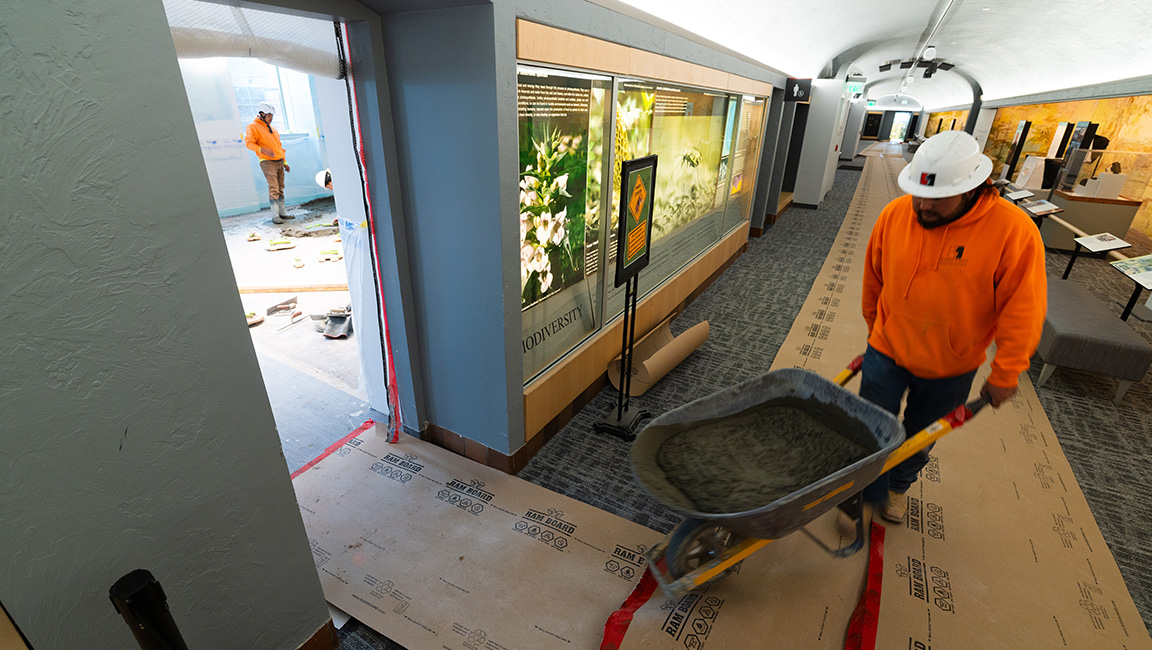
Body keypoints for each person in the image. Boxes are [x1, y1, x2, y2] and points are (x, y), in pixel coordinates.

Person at [860, 130, 1048, 523]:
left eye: (937, 198)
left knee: (921, 433)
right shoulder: (895, 215)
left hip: (952, 363)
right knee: (869, 424)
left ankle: (897, 487)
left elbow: (1024, 307)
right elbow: (873, 277)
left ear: (971, 189)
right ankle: (863, 484)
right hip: (887, 349)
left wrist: (1007, 371)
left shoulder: (1013, 231)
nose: (924, 206)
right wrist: (875, 328)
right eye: (919, 194)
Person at [244, 102, 291, 224]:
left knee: (281, 187)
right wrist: (262, 150)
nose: (271, 118)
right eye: (269, 115)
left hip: (279, 161)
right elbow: (249, 143)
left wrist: (285, 162)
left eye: (272, 116)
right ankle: (275, 216)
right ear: (262, 114)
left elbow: (279, 147)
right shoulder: (253, 126)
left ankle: (282, 213)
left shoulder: (273, 129)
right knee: (274, 188)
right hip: (267, 162)